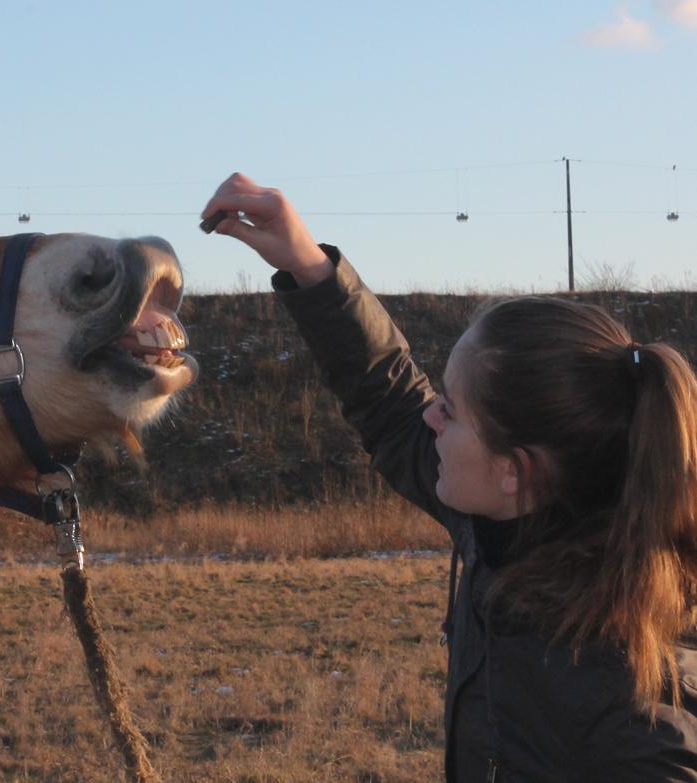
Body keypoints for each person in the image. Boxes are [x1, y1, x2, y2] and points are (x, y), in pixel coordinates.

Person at [202, 172, 697, 782]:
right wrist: (311, 268)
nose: (431, 415)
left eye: (452, 410)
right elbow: (390, 406)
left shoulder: (628, 702)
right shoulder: (509, 525)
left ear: (513, 471)